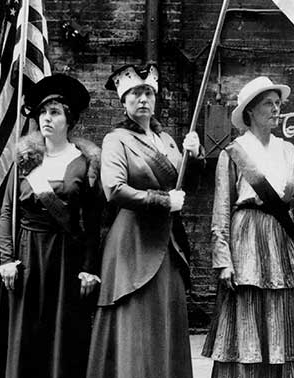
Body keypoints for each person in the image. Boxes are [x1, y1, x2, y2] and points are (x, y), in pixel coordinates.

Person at [202, 76, 294, 378]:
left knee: (282, 318)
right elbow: (220, 210)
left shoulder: (287, 149)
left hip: (279, 240)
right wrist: (223, 262)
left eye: (277, 104)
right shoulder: (232, 153)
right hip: (245, 238)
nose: (276, 110)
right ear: (250, 111)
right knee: (246, 320)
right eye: (268, 104)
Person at [86, 63, 203, 378]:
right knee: (136, 324)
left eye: (148, 92)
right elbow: (114, 189)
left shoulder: (167, 140)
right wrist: (163, 201)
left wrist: (195, 155)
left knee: (166, 320)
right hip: (132, 243)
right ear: (123, 102)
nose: (143, 99)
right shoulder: (116, 139)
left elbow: (185, 184)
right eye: (135, 93)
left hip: (167, 244)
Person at [0, 74, 103, 378]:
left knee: (62, 339)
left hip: (66, 260)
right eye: (42, 112)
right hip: (27, 259)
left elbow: (93, 224)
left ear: (69, 118)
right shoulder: (25, 161)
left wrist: (90, 268)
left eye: (54, 112)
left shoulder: (85, 164)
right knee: (25, 338)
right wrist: (6, 260)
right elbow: (6, 212)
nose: (46, 119)